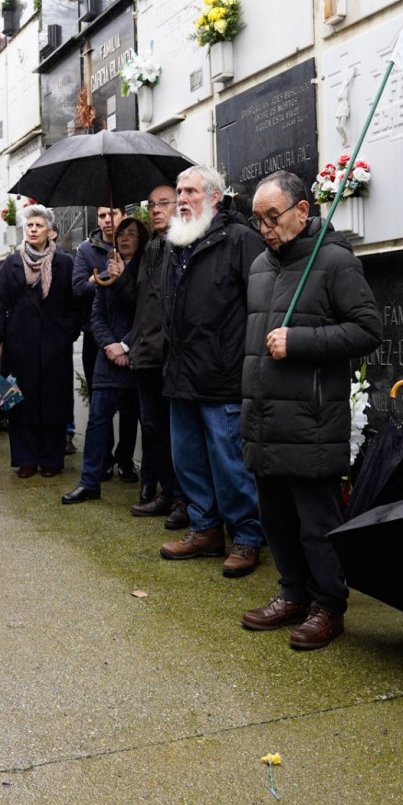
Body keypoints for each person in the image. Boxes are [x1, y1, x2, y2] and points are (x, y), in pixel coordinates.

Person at [241, 169, 381, 649]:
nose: (265, 228)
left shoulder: (336, 262)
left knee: (316, 522)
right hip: (264, 415)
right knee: (275, 517)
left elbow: (367, 330)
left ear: (303, 211)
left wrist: (299, 341)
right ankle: (292, 593)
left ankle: (328, 605)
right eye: (258, 219)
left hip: (312, 419)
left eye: (272, 217)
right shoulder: (261, 266)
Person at [157, 165, 265, 579]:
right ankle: (205, 529)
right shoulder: (175, 243)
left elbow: (260, 305)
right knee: (188, 459)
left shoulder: (240, 240)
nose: (182, 199)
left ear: (215, 197)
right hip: (181, 372)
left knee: (230, 462)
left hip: (223, 374)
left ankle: (246, 536)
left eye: (191, 192)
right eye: (179, 192)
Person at [0, 203, 80, 477]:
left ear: (50, 231)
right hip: (19, 346)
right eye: (30, 226)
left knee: (54, 402)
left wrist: (66, 333)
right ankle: (26, 459)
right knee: (20, 401)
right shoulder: (11, 264)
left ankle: (51, 459)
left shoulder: (65, 263)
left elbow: (74, 305)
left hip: (55, 346)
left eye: (39, 225)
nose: (34, 229)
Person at [63, 216, 145, 503]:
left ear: (141, 239)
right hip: (107, 360)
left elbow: (147, 314)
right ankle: (90, 481)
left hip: (137, 357)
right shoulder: (106, 270)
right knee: (98, 421)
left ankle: (145, 482)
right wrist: (110, 345)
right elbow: (96, 315)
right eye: (121, 234)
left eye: (131, 233)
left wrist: (125, 345)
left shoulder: (146, 270)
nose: (123, 238)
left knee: (138, 419)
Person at [127, 184, 188, 528]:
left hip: (170, 355)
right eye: (150, 205)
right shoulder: (149, 247)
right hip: (145, 354)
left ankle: (182, 498)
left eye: (164, 203)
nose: (156, 210)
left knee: (177, 431)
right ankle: (168, 492)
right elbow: (138, 303)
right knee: (153, 431)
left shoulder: (181, 245)